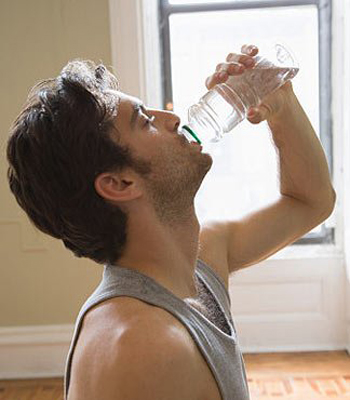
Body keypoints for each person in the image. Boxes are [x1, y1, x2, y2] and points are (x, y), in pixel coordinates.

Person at [6, 44, 336, 400]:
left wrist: (279, 102)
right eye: (145, 122)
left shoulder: (200, 260)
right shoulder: (142, 347)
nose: (172, 118)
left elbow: (310, 202)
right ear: (119, 184)